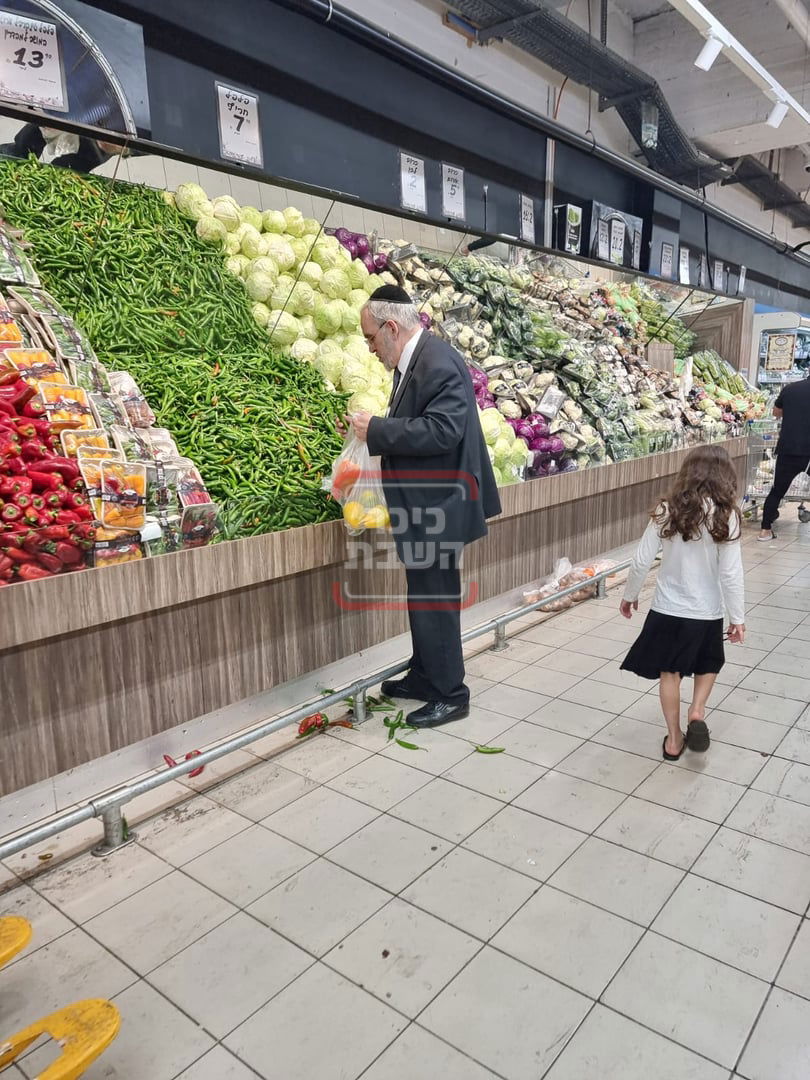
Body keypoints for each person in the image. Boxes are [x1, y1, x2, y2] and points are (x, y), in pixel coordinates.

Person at [348, 284, 501, 729]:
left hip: (443, 505)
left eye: (371, 339)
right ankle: (424, 674)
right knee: (423, 596)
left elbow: (442, 432)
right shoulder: (416, 360)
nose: (371, 348)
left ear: (391, 328)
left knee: (436, 599)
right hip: (425, 504)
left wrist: (377, 430)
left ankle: (451, 693)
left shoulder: (438, 362)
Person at [619, 444, 745, 760]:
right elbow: (731, 573)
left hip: (667, 608)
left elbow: (640, 561)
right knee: (708, 663)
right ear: (725, 476)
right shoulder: (727, 515)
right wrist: (737, 617)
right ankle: (698, 710)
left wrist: (629, 596)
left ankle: (674, 740)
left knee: (669, 672)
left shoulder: (666, 509)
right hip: (706, 610)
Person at [759, 372, 810, 541]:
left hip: (788, 449)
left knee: (777, 491)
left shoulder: (790, 389)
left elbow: (776, 412)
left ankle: (765, 530)